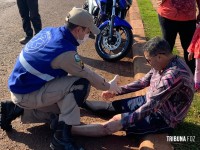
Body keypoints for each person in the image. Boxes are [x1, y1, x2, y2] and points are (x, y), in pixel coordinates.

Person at [0, 7, 121, 150]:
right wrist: (108, 86)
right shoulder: (65, 52)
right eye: (88, 31)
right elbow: (86, 74)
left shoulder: (49, 31)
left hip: (21, 86)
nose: (89, 35)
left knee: (66, 103)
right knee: (80, 85)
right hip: (25, 94)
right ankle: (61, 140)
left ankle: (13, 108)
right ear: (78, 30)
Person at [81, 36, 195, 136]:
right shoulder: (162, 63)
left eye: (148, 60)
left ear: (159, 57)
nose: (147, 63)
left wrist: (123, 122)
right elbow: (143, 82)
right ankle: (80, 102)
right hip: (150, 100)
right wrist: (117, 91)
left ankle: (68, 130)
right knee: (111, 107)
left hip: (164, 116)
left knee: (111, 124)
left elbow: (151, 106)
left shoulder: (173, 75)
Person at [157, 0, 200, 74]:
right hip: (168, 16)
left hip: (188, 19)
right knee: (167, 48)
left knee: (190, 50)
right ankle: (163, 78)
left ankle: (191, 78)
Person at [188, 24, 200, 92]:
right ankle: (196, 84)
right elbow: (194, 39)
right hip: (198, 52)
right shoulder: (199, 28)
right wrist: (191, 51)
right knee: (198, 68)